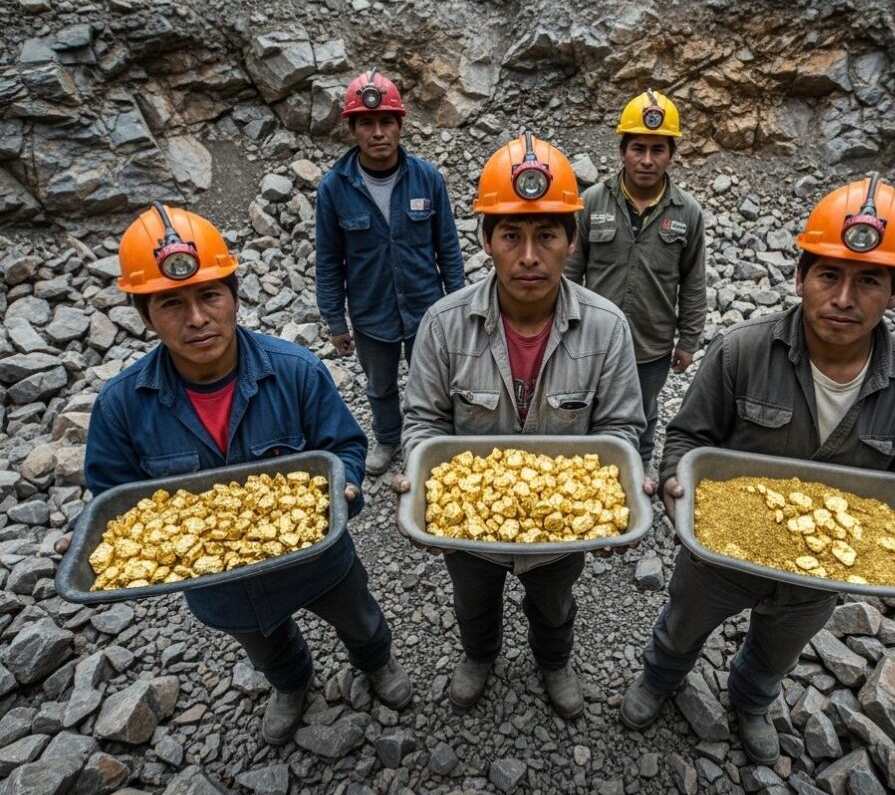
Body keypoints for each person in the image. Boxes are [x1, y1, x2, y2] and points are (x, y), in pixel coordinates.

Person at [620, 173, 895, 764]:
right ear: (800, 275)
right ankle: (660, 678)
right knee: (682, 622)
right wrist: (675, 480)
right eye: (829, 274)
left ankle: (751, 702)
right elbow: (687, 437)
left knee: (780, 648)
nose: (845, 298)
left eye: (869, 280)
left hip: (820, 573)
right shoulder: (742, 352)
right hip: (720, 554)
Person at [74, 203, 411, 746]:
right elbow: (112, 497)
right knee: (262, 643)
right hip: (221, 585)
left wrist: (346, 481)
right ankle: (291, 685)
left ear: (234, 296)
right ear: (143, 315)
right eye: (171, 303)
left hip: (317, 559)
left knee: (359, 617)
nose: (197, 318)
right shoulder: (121, 405)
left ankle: (377, 664)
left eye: (209, 295)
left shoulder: (296, 371)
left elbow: (343, 444)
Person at [392, 133, 652, 719]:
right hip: (470, 530)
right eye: (511, 235)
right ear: (486, 240)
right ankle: (479, 655)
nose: (529, 256)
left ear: (571, 240)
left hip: (562, 529)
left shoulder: (607, 328)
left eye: (546, 235)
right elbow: (425, 420)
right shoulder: (443, 325)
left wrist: (619, 493)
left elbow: (620, 427)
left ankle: (554, 661)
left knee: (555, 601)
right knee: (473, 600)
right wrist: (418, 468)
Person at [315, 69, 465, 476]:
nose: (377, 132)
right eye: (367, 123)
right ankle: (387, 440)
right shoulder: (334, 188)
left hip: (426, 309)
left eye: (386, 122)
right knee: (380, 387)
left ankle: (431, 441)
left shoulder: (428, 179)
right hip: (370, 313)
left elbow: (447, 248)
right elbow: (328, 260)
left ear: (400, 125)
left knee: (432, 383)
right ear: (353, 130)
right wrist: (335, 320)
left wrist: (459, 306)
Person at [564, 89, 706, 476]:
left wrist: (689, 340)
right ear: (622, 150)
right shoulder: (592, 202)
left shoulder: (687, 212)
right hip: (591, 339)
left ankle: (639, 471)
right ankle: (590, 471)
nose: (646, 160)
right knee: (588, 406)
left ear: (671, 155)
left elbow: (694, 281)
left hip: (652, 342)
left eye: (657, 150)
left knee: (642, 412)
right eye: (638, 148)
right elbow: (571, 272)